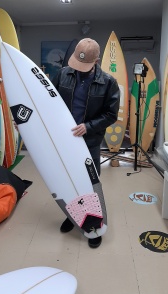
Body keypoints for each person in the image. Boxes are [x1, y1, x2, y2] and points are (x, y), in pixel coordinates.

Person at [52, 38, 120, 248]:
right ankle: (73, 216)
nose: (79, 69)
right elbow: (48, 103)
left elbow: (111, 114)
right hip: (64, 140)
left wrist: (88, 126)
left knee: (89, 184)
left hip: (89, 141)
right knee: (67, 180)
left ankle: (94, 225)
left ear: (96, 61)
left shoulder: (108, 82)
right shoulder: (63, 74)